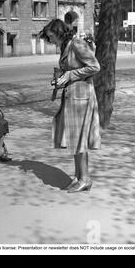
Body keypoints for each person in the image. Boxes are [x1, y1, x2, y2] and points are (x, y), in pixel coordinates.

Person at [39, 19, 101, 193]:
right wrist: (59, 80)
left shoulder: (77, 44)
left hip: (82, 98)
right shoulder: (65, 46)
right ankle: (79, 177)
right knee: (74, 139)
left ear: (59, 33)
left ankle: (85, 178)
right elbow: (68, 71)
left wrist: (71, 75)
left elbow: (95, 66)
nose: (50, 40)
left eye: (51, 37)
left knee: (79, 140)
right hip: (72, 97)